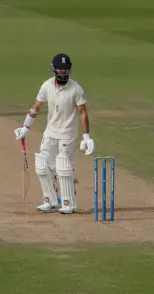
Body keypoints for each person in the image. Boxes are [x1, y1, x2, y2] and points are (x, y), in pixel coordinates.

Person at [13, 53, 94, 214]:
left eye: (65, 69)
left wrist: (86, 137)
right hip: (50, 132)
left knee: (62, 167)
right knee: (42, 165)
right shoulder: (46, 86)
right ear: (54, 69)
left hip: (67, 135)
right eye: (60, 69)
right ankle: (50, 200)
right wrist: (25, 128)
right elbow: (36, 107)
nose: (63, 72)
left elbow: (83, 112)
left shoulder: (75, 88)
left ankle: (69, 203)